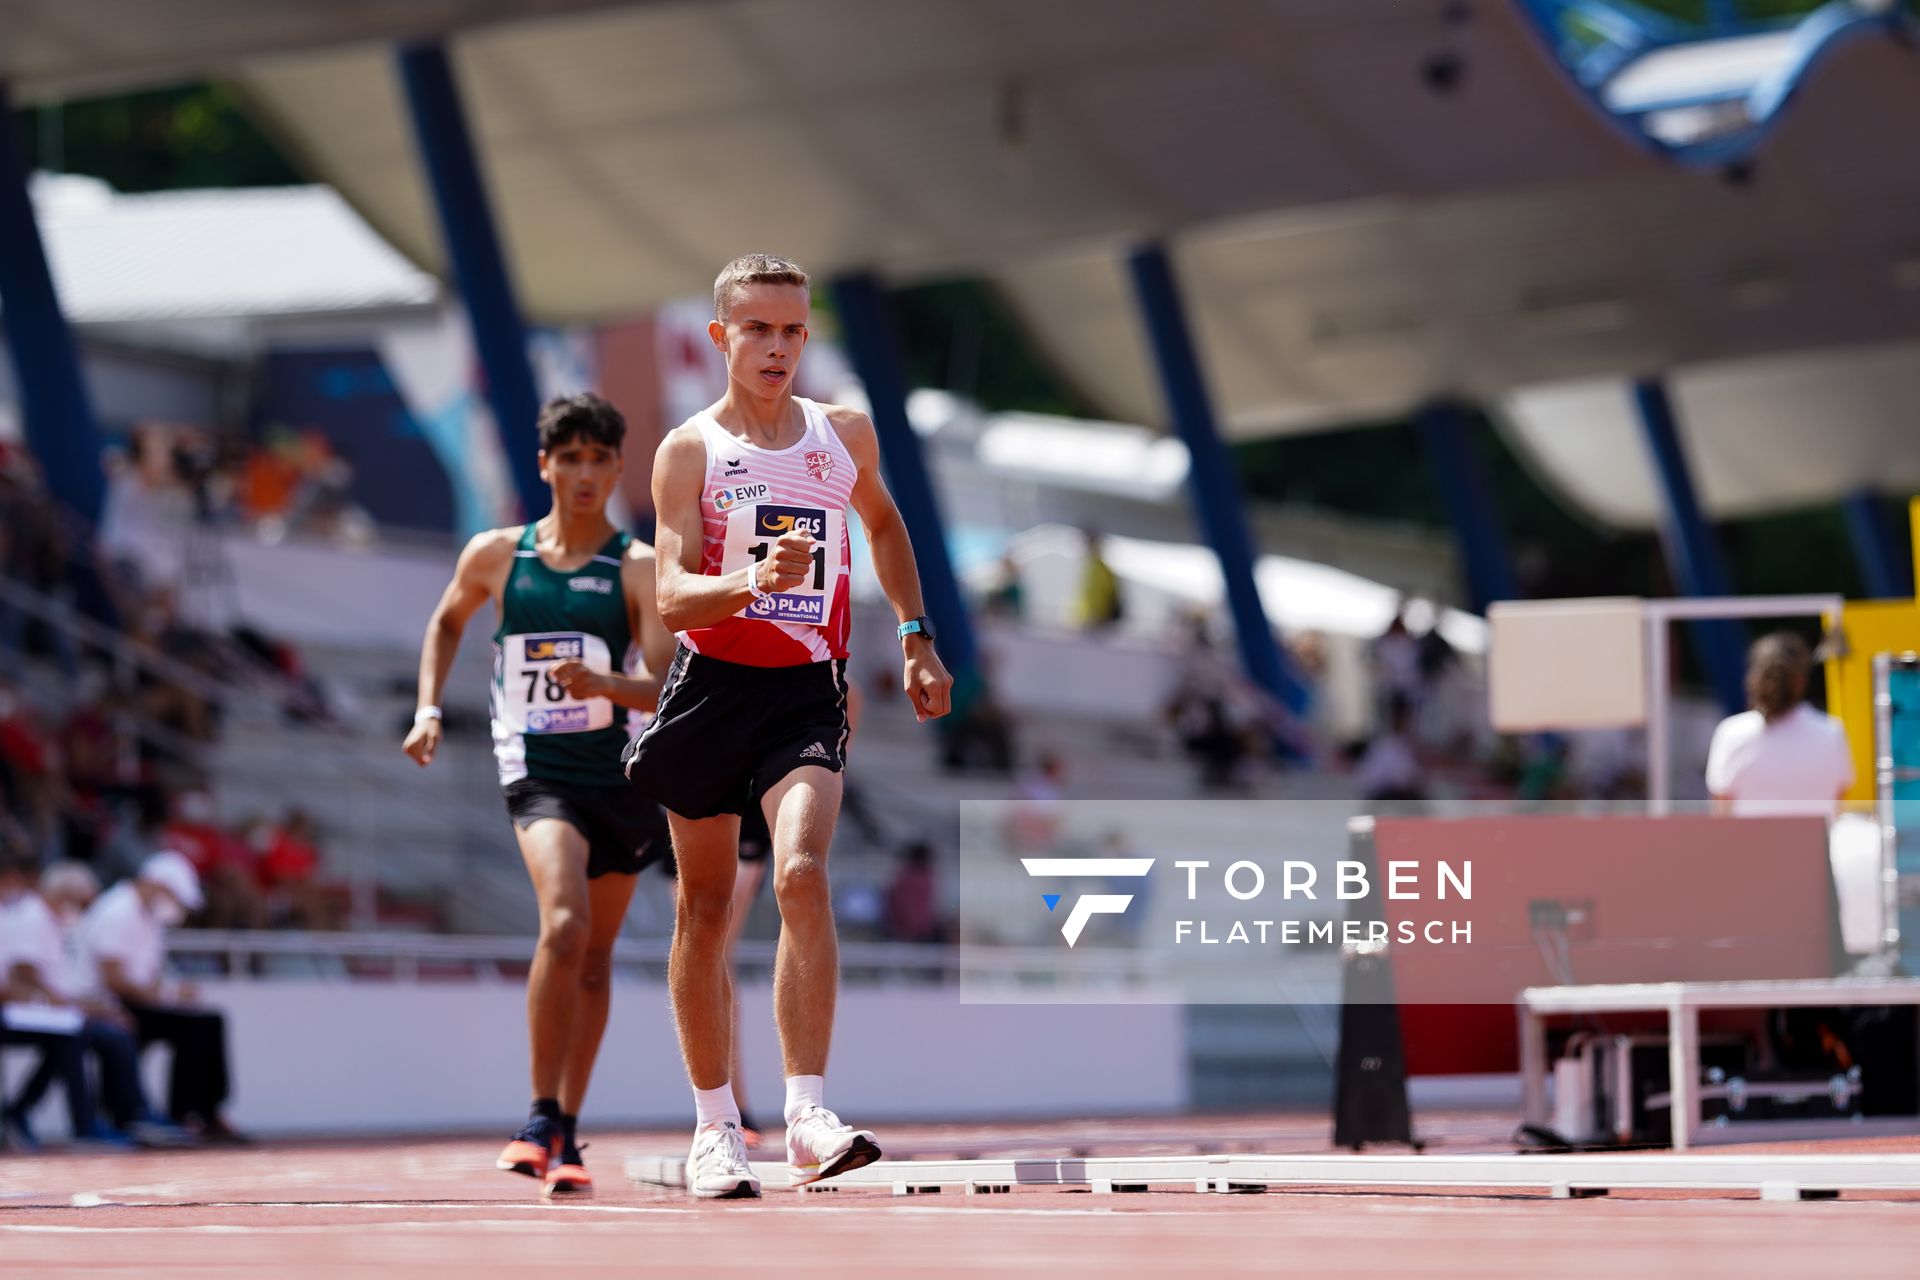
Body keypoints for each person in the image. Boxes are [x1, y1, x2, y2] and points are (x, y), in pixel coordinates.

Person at [623, 253, 953, 1198]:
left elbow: (884, 527)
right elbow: (678, 597)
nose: (777, 346)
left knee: (803, 874)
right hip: (711, 692)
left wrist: (916, 635)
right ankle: (715, 1126)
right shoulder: (689, 450)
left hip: (808, 688)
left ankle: (808, 1112)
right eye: (758, 329)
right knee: (705, 909)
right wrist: (752, 582)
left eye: (793, 330)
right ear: (721, 337)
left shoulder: (843, 435)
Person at [403, 393, 674, 1198]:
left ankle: (565, 1133)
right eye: (572, 457)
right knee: (563, 923)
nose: (586, 473)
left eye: (600, 459)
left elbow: (662, 687)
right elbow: (447, 622)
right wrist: (427, 705)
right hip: (538, 771)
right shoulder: (496, 555)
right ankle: (537, 1112)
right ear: (545, 464)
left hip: (621, 781)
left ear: (618, 468)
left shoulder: (637, 566)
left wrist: (604, 683)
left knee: (595, 959)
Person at [2, 861, 187, 1147]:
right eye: (82, 903)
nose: (84, 911)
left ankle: (130, 1113)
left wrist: (86, 1005)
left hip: (40, 1007)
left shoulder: (52, 923)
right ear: (64, 894)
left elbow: (52, 982)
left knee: (110, 1033)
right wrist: (64, 1003)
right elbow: (24, 971)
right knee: (75, 1034)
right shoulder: (32, 916)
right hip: (20, 1011)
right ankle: (83, 1124)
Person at [78, 851, 245, 1142]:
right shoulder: (119, 911)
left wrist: (171, 994)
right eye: (177, 899)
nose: (177, 908)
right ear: (157, 885)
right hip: (108, 1004)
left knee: (209, 1019)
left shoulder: (148, 919)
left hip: (134, 1002)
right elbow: (113, 978)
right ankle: (178, 1114)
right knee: (195, 1025)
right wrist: (167, 993)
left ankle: (200, 1110)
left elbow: (149, 975)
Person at [1706, 632, 1854, 817]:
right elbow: (1839, 804)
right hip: (1814, 845)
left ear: (1754, 677)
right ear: (1801, 680)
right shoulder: (1831, 732)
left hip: (1748, 845)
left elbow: (1721, 812)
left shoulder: (1731, 733)